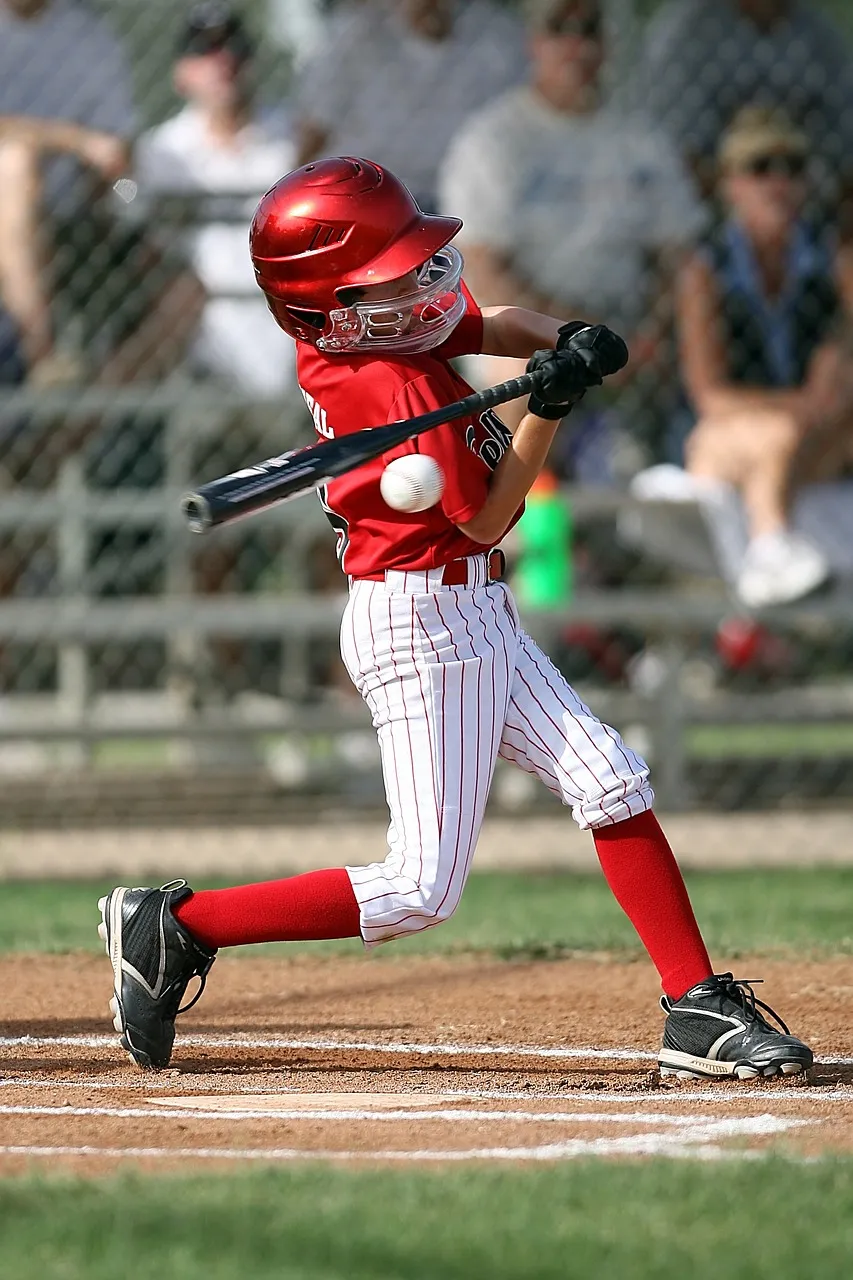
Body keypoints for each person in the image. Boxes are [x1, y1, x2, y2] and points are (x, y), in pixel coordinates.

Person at [97, 156, 813, 1083]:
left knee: (608, 779)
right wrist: (546, 410)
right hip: (421, 627)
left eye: (418, 265)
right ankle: (175, 926)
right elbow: (487, 514)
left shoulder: (381, 333)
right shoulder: (394, 391)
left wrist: (565, 337)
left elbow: (479, 320)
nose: (427, 287)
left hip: (471, 607)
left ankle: (694, 1007)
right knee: (417, 890)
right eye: (394, 279)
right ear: (331, 307)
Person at [438, 0, 705, 483]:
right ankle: (519, 530)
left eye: (589, 30)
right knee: (512, 379)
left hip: (634, 339)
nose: (575, 45)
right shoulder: (494, 139)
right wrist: (573, 335)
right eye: (559, 29)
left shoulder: (641, 136)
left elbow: (680, 256)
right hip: (533, 337)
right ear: (533, 42)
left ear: (605, 45)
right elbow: (485, 268)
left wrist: (651, 334)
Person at [638, 107, 853, 608]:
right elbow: (711, 397)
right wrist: (805, 408)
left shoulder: (826, 259)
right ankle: (770, 546)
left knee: (821, 433)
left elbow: (837, 376)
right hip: (716, 440)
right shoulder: (705, 267)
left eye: (792, 168)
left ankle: (773, 561)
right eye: (760, 169)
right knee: (780, 434)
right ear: (730, 186)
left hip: (808, 432)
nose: (777, 183)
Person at [135, 3, 298, 399]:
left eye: (233, 47)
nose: (223, 61)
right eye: (204, 51)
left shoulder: (293, 140)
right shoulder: (161, 153)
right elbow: (148, 254)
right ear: (181, 74)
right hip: (200, 345)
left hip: (292, 323)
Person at [0, 0, 136, 382]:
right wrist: (74, 140)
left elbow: (116, 145)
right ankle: (41, 353)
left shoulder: (88, 34)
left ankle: (83, 418)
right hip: (11, 214)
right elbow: (92, 143)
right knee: (15, 164)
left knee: (180, 289)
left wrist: (104, 172)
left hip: (73, 218)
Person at [634, 0, 853, 232]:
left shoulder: (820, 37)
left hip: (805, 205)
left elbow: (845, 161)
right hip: (710, 212)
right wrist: (748, 190)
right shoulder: (689, 33)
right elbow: (677, 157)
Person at [293, 0, 526, 212]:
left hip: (463, 197)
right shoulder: (357, 36)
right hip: (367, 195)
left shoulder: (496, 35)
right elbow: (315, 130)